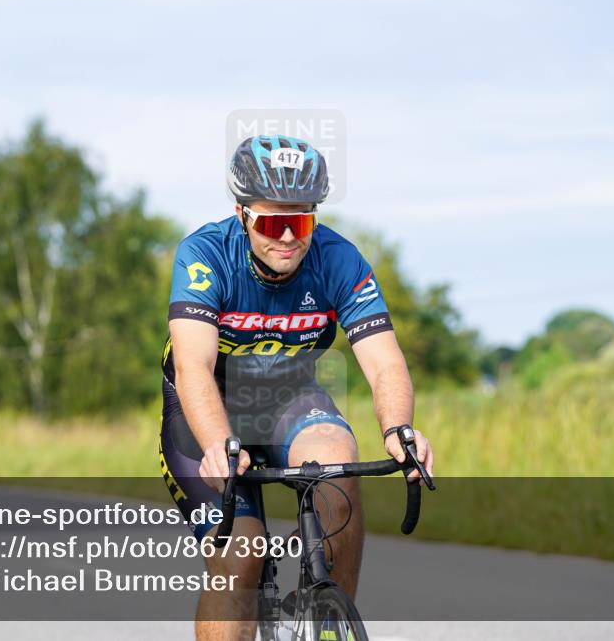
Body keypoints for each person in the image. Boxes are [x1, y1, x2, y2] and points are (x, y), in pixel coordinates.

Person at [159, 135, 434, 640]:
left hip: (290, 398)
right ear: (242, 214)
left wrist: (399, 428)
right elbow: (192, 366)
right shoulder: (205, 255)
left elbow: (384, 363)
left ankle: (329, 622)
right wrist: (218, 443)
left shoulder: (339, 259)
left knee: (338, 467)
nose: (287, 237)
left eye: (301, 222)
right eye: (271, 223)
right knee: (242, 556)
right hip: (209, 406)